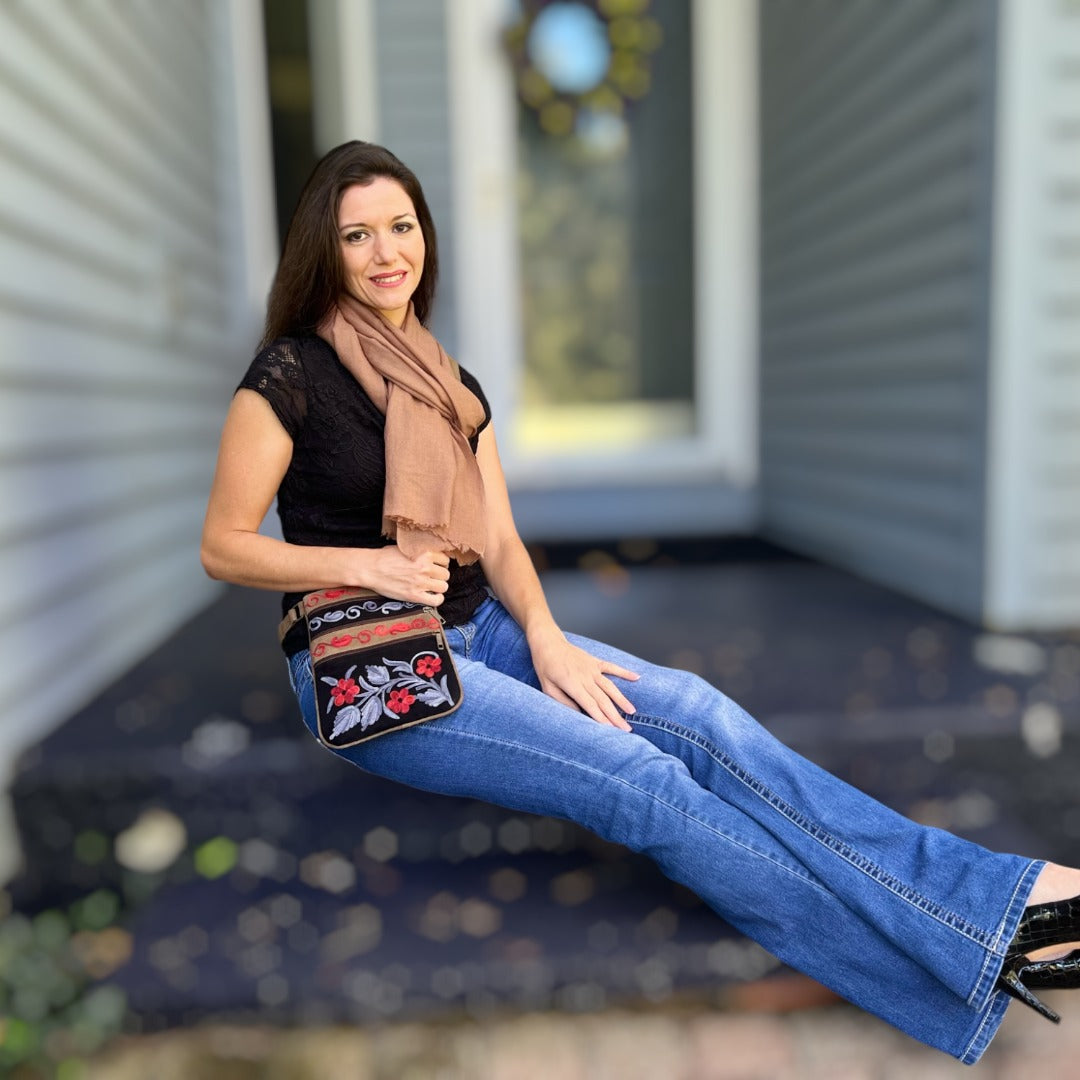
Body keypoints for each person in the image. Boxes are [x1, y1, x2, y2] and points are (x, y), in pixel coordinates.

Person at [201, 140, 1080, 1064]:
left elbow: (498, 541)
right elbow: (224, 545)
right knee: (639, 783)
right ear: (325, 248)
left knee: (697, 714)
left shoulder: (449, 384)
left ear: (426, 235)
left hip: (483, 629)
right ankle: (980, 937)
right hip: (370, 663)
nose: (387, 252)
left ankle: (993, 912)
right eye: (358, 235)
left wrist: (547, 638)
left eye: (401, 226)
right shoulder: (289, 376)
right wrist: (372, 568)